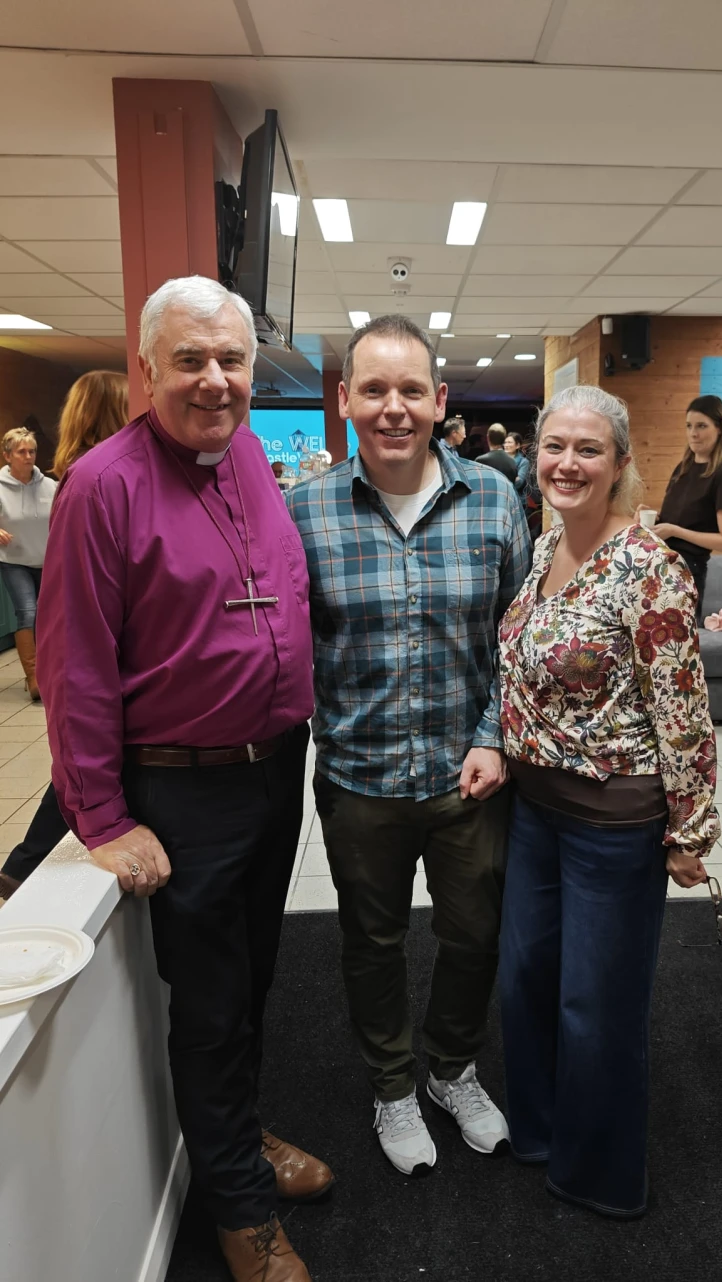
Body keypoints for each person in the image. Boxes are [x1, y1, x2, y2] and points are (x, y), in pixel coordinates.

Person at [36, 276, 329, 1282]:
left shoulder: (243, 452)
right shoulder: (102, 487)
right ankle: (239, 1214)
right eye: (191, 360)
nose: (215, 381)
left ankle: (236, 1138)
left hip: (272, 770)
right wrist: (100, 815)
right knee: (209, 1006)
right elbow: (74, 664)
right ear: (147, 369)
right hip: (185, 787)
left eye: (231, 360)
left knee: (254, 979)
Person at [288, 314, 531, 1178]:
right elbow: (286, 644)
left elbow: (518, 637)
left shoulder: (494, 499)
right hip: (360, 780)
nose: (394, 407)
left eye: (411, 390)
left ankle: (452, 1070)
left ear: (439, 400)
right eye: (375, 389)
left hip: (469, 777)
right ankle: (392, 1084)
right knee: (372, 941)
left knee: (474, 937)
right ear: (345, 399)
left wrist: (495, 736)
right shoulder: (304, 510)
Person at [497, 384, 719, 1219]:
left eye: (588, 449)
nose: (567, 463)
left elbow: (683, 709)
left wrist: (690, 829)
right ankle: (540, 1131)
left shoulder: (650, 568)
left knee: (596, 1003)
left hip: (613, 822)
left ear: (620, 462)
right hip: (532, 809)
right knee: (526, 980)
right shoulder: (544, 544)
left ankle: (599, 1173)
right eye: (554, 445)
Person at [0, 371, 129, 904]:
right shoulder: (98, 480)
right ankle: (23, 866)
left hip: (70, 610)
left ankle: (21, 865)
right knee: (86, 762)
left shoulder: (67, 478)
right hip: (85, 635)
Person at [650, 394, 722, 615]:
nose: (693, 433)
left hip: (687, 571)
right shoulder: (683, 468)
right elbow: (677, 519)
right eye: (689, 426)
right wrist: (654, 518)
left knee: (677, 637)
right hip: (660, 566)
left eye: (701, 426)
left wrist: (675, 531)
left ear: (720, 428)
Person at [0, 428, 58, 702]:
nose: (28, 456)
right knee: (27, 612)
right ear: (7, 455)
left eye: (32, 451)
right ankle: (34, 677)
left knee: (50, 615)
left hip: (47, 561)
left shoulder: (50, 486)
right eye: (21, 451)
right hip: (14, 562)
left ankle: (52, 671)